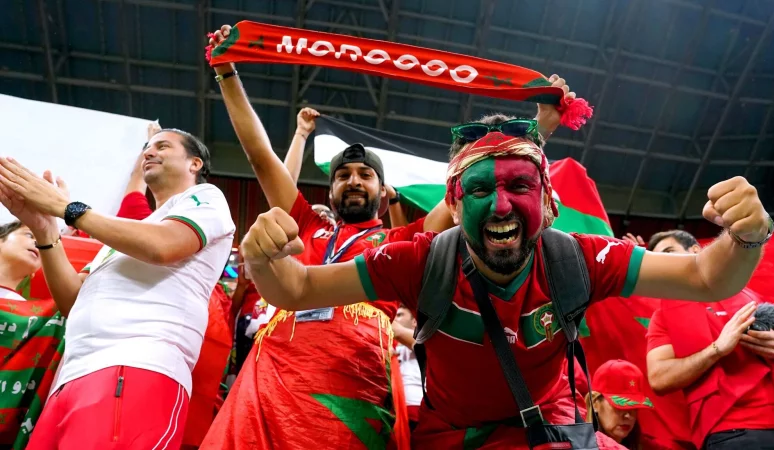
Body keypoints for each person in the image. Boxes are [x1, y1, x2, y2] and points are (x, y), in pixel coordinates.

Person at [239, 106, 774, 449]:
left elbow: (709, 279)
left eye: (519, 185)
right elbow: (299, 289)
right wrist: (265, 259)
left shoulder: (580, 260)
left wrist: (746, 235)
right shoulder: (421, 259)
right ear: (453, 201)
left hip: (548, 432)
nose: (500, 205)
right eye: (478, 191)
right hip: (450, 438)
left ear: (547, 199)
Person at [202, 24, 571, 450]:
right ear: (331, 190)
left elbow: (474, 187)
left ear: (382, 194)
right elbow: (259, 156)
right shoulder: (306, 223)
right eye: (343, 176)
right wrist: (228, 75)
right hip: (271, 370)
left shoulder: (403, 242)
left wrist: (538, 132)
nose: (353, 181)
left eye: (365, 175)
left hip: (354, 377)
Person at [0, 127, 236, 449]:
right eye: (146, 148)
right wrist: (45, 231)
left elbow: (163, 246)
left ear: (195, 164)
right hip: (71, 376)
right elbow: (73, 300)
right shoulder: (125, 234)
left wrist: (68, 208)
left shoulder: (206, 199)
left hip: (136, 366)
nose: (148, 153)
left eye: (162, 146)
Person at [646, 230, 774, 450]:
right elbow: (659, 379)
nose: (665, 263)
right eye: (658, 260)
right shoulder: (663, 316)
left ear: (696, 251)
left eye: (669, 252)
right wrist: (716, 349)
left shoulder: (754, 298)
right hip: (732, 433)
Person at [585, 360, 653, 449]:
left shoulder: (646, 445)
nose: (628, 416)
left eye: (634, 407)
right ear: (594, 403)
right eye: (620, 405)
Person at [392, 306, 423, 429]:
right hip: (391, 413)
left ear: (414, 321)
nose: (395, 319)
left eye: (399, 315)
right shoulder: (386, 347)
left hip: (416, 410)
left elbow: (398, 331)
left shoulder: (426, 340)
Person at [0, 221, 40, 300]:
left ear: (33, 273)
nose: (38, 245)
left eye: (43, 245)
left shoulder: (24, 311)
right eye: (29, 235)